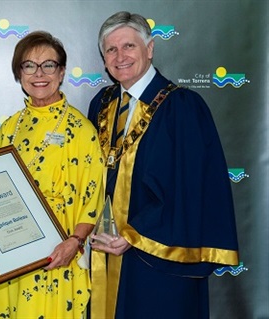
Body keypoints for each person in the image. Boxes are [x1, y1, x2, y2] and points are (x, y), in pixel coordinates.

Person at [87, 11, 239, 319]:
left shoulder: (181, 107)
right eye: (111, 50)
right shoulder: (101, 105)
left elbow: (189, 189)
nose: (120, 56)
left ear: (150, 48)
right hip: (103, 251)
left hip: (156, 258)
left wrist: (132, 234)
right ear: (103, 58)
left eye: (129, 46)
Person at [0, 31, 105, 319]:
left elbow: (92, 197)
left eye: (48, 65)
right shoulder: (8, 129)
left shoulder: (81, 130)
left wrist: (74, 243)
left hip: (58, 253)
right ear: (19, 73)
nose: (39, 74)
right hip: (10, 256)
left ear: (62, 72)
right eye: (29, 65)